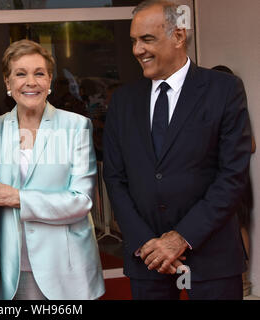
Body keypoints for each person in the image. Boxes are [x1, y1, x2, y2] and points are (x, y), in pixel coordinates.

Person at [103, 0, 251, 300]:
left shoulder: (224, 89)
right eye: (134, 41)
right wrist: (146, 242)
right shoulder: (123, 102)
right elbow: (115, 179)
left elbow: (232, 176)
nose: (137, 50)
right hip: (147, 259)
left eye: (147, 39)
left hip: (212, 257)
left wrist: (182, 237)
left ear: (178, 36)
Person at [0, 39, 104, 300]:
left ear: (49, 80)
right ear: (8, 83)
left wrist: (16, 197)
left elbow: (81, 200)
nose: (31, 82)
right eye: (21, 74)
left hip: (66, 266)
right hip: (10, 267)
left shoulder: (75, 127)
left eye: (39, 73)